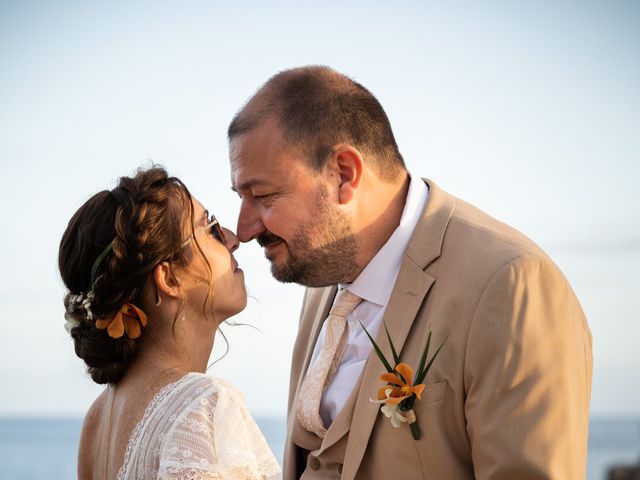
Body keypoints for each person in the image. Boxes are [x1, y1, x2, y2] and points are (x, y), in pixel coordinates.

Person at [227, 66, 593, 479]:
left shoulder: (512, 285)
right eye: (241, 197)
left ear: (344, 174)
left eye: (263, 196)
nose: (244, 228)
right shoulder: (321, 281)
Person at [59, 166, 281, 480]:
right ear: (169, 278)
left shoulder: (97, 421)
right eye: (211, 227)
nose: (233, 239)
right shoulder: (206, 404)